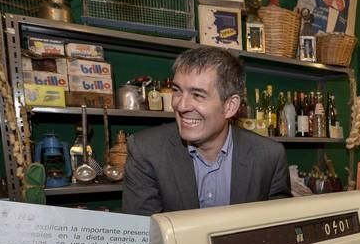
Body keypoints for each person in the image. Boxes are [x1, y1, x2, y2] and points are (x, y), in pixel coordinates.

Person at [122, 46, 291, 216]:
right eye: (177, 91)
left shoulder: (270, 156)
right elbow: (146, 234)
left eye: (197, 95)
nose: (181, 105)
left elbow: (277, 232)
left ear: (230, 106)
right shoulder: (145, 150)